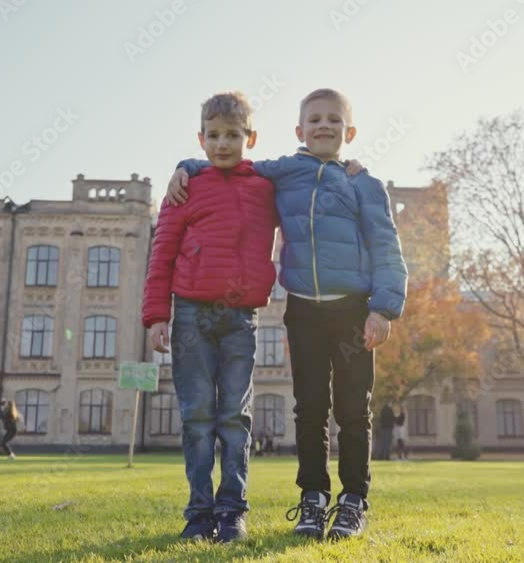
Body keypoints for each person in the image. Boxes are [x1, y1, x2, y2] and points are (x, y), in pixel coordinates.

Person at [169, 88, 408, 541]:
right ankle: (313, 499)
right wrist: (187, 166)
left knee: (353, 409)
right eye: (314, 120)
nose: (323, 126)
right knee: (310, 408)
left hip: (353, 310)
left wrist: (383, 309)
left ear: (349, 132)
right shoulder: (283, 172)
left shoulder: (365, 184)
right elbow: (232, 161)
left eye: (333, 120)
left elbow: (386, 247)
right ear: (299, 130)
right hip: (303, 310)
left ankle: (352, 501)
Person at [142, 92, 281, 543]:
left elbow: (306, 178)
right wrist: (156, 316)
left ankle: (232, 512)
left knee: (235, 418)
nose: (223, 144)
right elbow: (162, 253)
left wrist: (348, 169)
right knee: (197, 417)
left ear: (250, 138)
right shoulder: (184, 188)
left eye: (233, 135)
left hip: (241, 318)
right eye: (214, 135)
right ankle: (199, 514)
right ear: (201, 139)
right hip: (191, 316)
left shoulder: (266, 186)